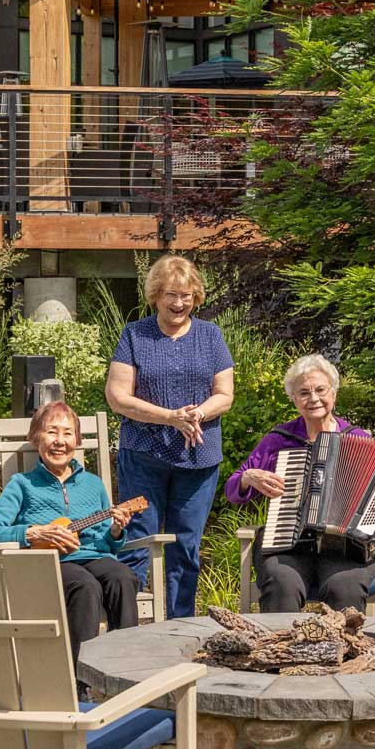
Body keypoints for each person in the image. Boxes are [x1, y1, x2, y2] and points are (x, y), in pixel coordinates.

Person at [225, 354, 375, 613]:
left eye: (320, 390)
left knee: (344, 587)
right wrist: (248, 478)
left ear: (333, 393)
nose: (313, 398)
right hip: (287, 545)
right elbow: (232, 489)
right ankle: (281, 641)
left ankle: (342, 641)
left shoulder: (359, 439)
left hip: (346, 550)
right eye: (304, 392)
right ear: (294, 399)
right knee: (282, 583)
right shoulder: (279, 440)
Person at [106, 254, 235, 618]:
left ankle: (180, 628)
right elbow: (117, 397)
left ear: (196, 297)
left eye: (186, 295)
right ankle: (127, 627)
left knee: (186, 547)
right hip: (143, 457)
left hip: (198, 459)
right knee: (137, 541)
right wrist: (170, 418)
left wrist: (198, 413)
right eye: (171, 295)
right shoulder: (135, 335)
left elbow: (225, 395)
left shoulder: (211, 335)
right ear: (156, 296)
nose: (179, 303)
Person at [0, 401, 140, 664]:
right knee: (85, 586)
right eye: (51, 432)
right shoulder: (22, 484)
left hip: (93, 556)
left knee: (123, 577)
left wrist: (115, 530)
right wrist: (33, 533)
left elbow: (108, 543)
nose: (60, 441)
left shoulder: (93, 484)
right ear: (36, 438)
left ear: (77, 440)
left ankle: (126, 667)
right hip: (47, 563)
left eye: (67, 433)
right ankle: (81, 676)